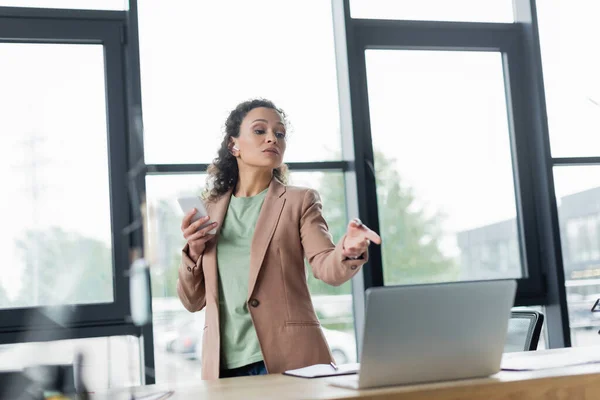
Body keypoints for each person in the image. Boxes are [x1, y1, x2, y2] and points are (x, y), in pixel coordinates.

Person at [177, 99, 381, 380]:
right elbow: (192, 301)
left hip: (290, 360)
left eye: (280, 133)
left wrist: (349, 250)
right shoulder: (209, 210)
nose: (272, 137)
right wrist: (193, 252)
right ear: (233, 145)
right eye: (260, 131)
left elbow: (325, 266)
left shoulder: (300, 200)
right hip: (223, 367)